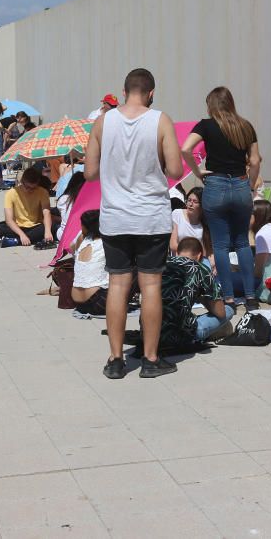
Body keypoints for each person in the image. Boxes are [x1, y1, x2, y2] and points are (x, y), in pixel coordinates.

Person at [84, 67, 184, 379]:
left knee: (117, 285)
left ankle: (116, 359)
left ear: (124, 90)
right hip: (151, 217)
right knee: (150, 285)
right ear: (151, 92)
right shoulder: (160, 120)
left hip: (114, 216)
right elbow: (176, 170)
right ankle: (151, 360)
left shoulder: (103, 121)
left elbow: (88, 173)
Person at [181, 86, 263, 311]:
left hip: (215, 185)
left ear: (211, 105)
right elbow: (255, 161)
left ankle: (227, 297)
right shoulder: (245, 126)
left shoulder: (206, 125)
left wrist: (197, 173)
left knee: (220, 245)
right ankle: (250, 297)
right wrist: (250, 185)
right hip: (239, 184)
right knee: (243, 242)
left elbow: (186, 149)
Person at [158, 237, 235, 353]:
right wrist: (201, 296)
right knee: (228, 310)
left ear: (178, 253)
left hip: (152, 334)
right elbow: (220, 312)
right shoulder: (200, 268)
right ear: (199, 256)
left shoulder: (161, 265)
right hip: (181, 335)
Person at [71, 209, 109, 316]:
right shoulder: (107, 242)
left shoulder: (82, 238)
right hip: (98, 302)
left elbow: (71, 247)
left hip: (77, 302)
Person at [169, 186, 208, 253]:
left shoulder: (205, 222)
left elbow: (206, 250)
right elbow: (173, 245)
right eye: (189, 200)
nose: (190, 204)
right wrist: (190, 255)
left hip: (197, 260)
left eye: (195, 201)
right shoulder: (177, 214)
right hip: (179, 258)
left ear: (202, 205)